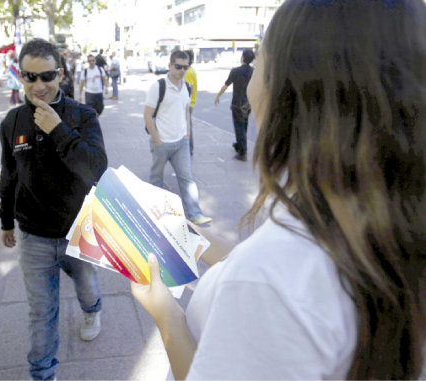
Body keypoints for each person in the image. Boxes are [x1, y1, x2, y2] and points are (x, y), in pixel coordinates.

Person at [132, 0, 426, 379]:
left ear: (287, 89)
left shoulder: (268, 280)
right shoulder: (377, 209)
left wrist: (167, 316)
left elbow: (275, 277)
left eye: (261, 61)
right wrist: (190, 237)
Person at [0, 38, 107, 381]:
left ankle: (92, 311)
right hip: (34, 236)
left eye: (47, 76)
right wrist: (6, 220)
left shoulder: (83, 115)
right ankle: (43, 373)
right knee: (42, 311)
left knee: (87, 287)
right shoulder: (13, 121)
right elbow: (9, 174)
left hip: (79, 230)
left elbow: (97, 168)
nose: (39, 85)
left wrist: (59, 131)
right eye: (30, 77)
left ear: (60, 74)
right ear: (21, 76)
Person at [144, 50, 212, 226]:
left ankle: (195, 213)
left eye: (185, 67)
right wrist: (156, 139)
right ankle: (155, 214)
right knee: (156, 178)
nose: (182, 70)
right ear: (170, 65)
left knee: (187, 178)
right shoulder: (158, 86)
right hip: (162, 142)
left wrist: (187, 134)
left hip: (181, 142)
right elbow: (147, 115)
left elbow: (186, 112)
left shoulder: (187, 87)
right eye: (178, 66)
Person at [214, 48, 255, 161]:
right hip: (248, 103)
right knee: (244, 125)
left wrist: (218, 95)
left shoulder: (235, 71)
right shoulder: (254, 71)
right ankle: (239, 145)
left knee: (239, 127)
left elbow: (226, 85)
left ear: (242, 58)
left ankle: (242, 151)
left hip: (237, 103)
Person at [183, 50, 197, 155]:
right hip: (190, 102)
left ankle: (188, 148)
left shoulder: (188, 72)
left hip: (186, 104)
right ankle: (189, 148)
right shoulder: (192, 70)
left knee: (186, 126)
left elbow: (189, 88)